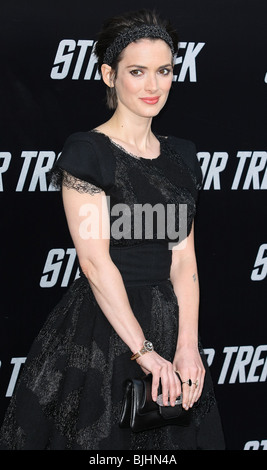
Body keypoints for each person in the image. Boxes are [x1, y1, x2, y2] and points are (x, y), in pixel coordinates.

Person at [0, 9, 225, 450]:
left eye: (164, 71)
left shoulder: (182, 156)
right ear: (108, 74)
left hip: (168, 320)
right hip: (104, 328)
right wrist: (144, 353)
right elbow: (95, 261)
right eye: (137, 72)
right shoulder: (88, 151)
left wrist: (186, 347)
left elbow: (183, 261)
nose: (152, 86)